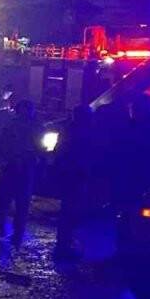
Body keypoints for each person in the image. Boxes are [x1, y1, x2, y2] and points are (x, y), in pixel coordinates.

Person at [0, 100, 46, 246]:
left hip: (16, 166)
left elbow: (1, 145)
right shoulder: (35, 127)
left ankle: (6, 230)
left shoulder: (15, 125)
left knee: (8, 200)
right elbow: (41, 149)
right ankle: (15, 233)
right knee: (18, 202)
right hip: (21, 167)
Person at [53, 105, 96, 261]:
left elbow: (59, 151)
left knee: (68, 210)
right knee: (74, 210)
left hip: (72, 175)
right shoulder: (89, 132)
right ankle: (68, 244)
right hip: (79, 176)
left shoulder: (69, 130)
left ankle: (65, 243)